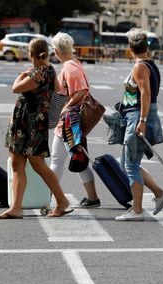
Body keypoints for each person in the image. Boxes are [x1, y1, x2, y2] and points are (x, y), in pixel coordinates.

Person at [0, 38, 71, 219]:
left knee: (27, 165)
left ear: (31, 54)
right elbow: (57, 90)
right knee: (27, 164)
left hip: (28, 124)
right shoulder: (50, 70)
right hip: (35, 123)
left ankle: (60, 200)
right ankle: (17, 207)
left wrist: (22, 75)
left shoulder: (39, 73)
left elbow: (16, 88)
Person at [115, 28, 163, 221]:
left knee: (130, 165)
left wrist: (142, 121)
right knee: (127, 163)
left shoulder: (140, 67)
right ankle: (159, 193)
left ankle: (137, 210)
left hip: (139, 117)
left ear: (130, 48)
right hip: (138, 116)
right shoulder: (150, 64)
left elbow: (145, 93)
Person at [49, 32, 101, 213]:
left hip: (69, 122)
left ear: (56, 51)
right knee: (79, 159)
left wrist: (65, 108)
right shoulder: (73, 64)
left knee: (57, 160)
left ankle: (48, 197)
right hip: (72, 121)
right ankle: (92, 198)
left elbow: (81, 91)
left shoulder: (69, 68)